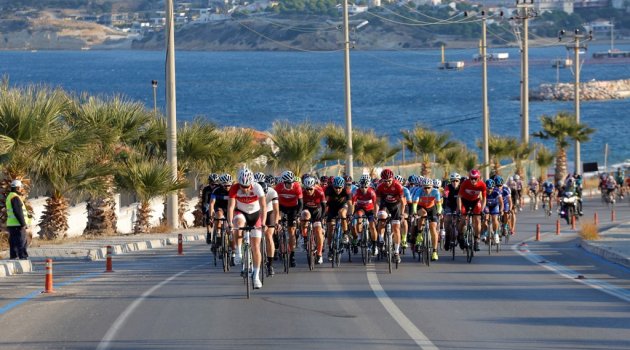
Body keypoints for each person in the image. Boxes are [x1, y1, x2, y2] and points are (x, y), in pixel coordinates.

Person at [227, 168, 267, 289]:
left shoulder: (257, 188)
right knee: (237, 222)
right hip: (241, 212)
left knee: (255, 247)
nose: (245, 189)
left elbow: (263, 207)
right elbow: (230, 207)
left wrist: (263, 222)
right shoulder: (234, 188)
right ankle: (238, 251)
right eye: (242, 186)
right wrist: (229, 223)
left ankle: (256, 277)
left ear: (252, 183)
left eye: (247, 186)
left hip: (255, 215)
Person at [374, 168, 406, 264]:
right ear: (382, 180)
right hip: (385, 205)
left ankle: (396, 252)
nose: (387, 182)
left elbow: (403, 202)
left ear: (392, 179)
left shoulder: (398, 186)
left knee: (396, 229)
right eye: (385, 181)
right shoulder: (379, 186)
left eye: (389, 181)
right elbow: (377, 202)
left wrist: (402, 213)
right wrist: (376, 214)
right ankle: (380, 239)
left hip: (395, 206)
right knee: (382, 217)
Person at [274, 170, 303, 267]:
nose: (290, 185)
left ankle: (292, 255)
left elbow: (301, 203)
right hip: (281, 207)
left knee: (291, 231)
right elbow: (274, 202)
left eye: (291, 182)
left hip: (293, 208)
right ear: (283, 182)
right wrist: (277, 216)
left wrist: (298, 215)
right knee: (276, 223)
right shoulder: (278, 187)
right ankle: (276, 242)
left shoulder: (297, 187)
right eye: (288, 183)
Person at [456, 169, 487, 251]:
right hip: (465, 201)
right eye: (471, 178)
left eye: (475, 178)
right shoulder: (465, 183)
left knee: (477, 220)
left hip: (475, 202)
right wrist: (459, 209)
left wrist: (482, 210)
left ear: (479, 178)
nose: (473, 180)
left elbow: (484, 198)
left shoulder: (482, 185)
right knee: (462, 219)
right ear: (469, 178)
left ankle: (476, 240)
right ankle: (460, 235)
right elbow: (459, 197)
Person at [300, 176, 326, 264]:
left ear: (314, 187)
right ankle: (305, 238)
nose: (309, 191)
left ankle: (319, 254)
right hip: (307, 210)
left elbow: (324, 207)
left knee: (318, 231)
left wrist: (322, 218)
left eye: (311, 189)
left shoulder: (320, 192)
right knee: (305, 215)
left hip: (317, 212)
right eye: (307, 189)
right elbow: (299, 206)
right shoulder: (302, 193)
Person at [6, 179, 31, 260]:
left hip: (12, 224)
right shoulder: (15, 197)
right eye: (20, 187)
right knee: (21, 242)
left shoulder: (10, 196)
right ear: (17, 188)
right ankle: (22, 258)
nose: (21, 189)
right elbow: (18, 212)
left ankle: (14, 258)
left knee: (13, 243)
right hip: (17, 224)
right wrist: (23, 224)